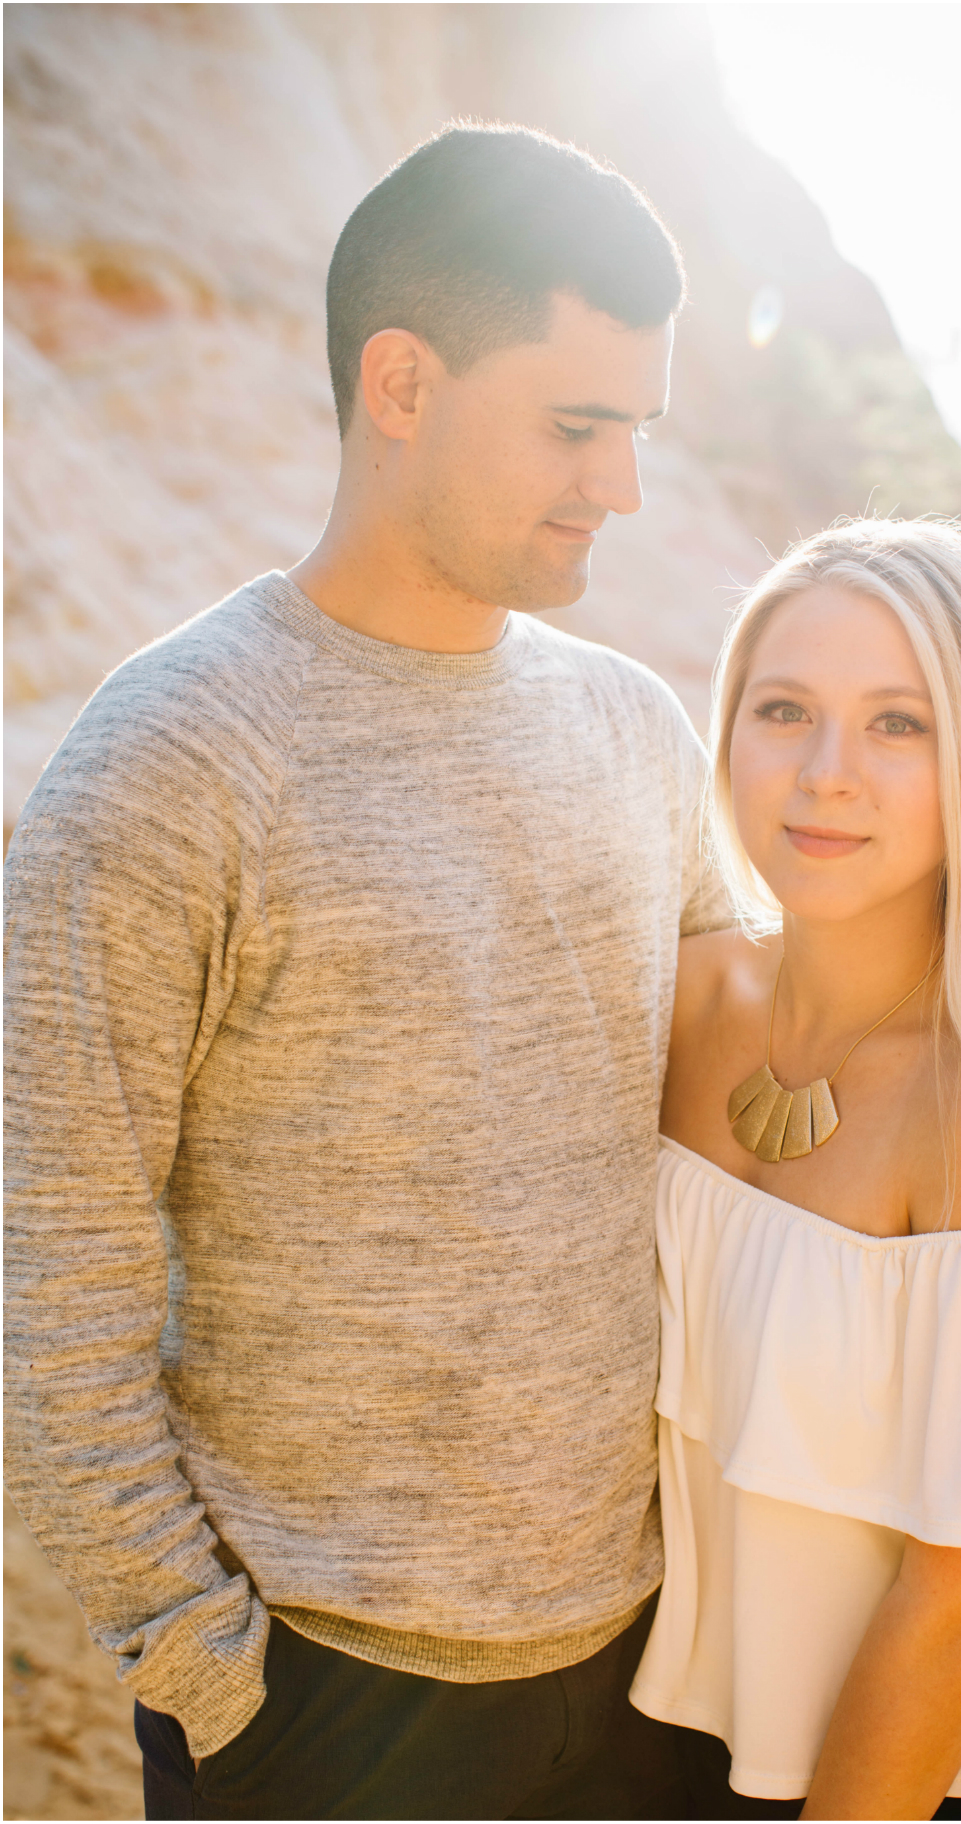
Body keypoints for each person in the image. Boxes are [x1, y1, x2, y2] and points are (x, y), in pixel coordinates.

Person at [4, 124, 725, 1816]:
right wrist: (213, 1678)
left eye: (638, 429)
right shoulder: (168, 760)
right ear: (398, 382)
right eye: (575, 423)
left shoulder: (640, 732)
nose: (619, 483)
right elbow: (52, 1280)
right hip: (316, 1717)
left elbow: (750, 1114)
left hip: (656, 1674)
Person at [627, 518, 961, 1820]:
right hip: (686, 1740)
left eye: (898, 725)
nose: (826, 775)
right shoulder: (688, 998)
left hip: (951, 1778)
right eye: (784, 710)